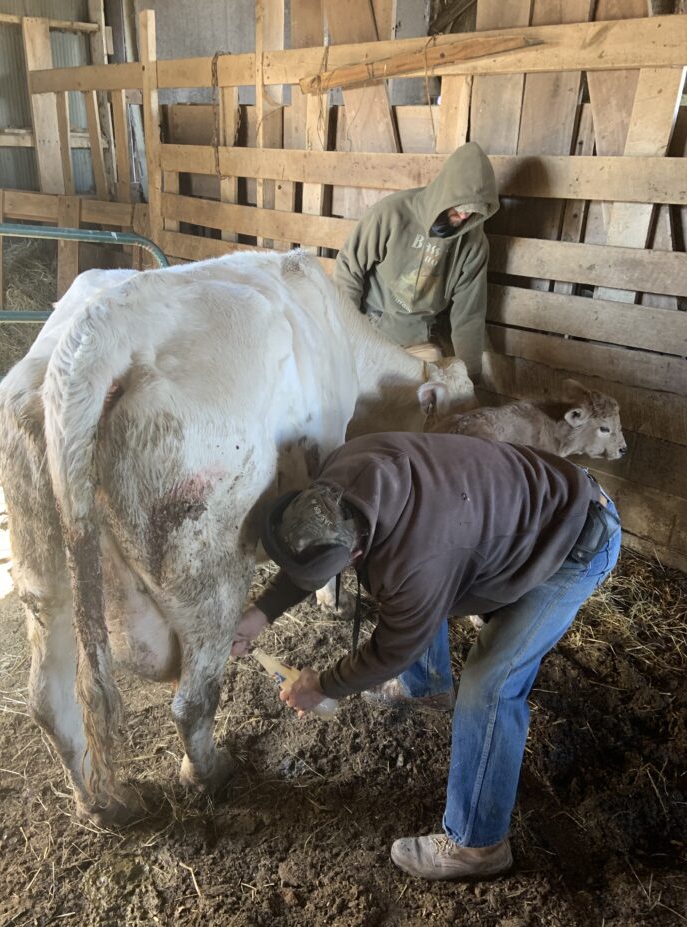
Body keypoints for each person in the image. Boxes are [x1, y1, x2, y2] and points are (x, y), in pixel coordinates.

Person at [231, 432, 621, 881]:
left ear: (354, 553)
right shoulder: (346, 469)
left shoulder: (415, 567)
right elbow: (318, 552)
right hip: (521, 501)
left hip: (575, 541)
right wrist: (260, 614)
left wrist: (320, 686)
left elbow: (394, 648)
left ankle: (479, 846)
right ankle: (429, 687)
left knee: (490, 682)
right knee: (412, 589)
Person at [334, 141, 499, 382]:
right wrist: (346, 334)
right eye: (460, 206)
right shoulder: (391, 214)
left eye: (472, 211)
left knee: (435, 398)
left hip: (418, 342)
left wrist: (471, 378)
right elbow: (349, 269)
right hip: (371, 330)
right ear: (446, 192)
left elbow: (469, 315)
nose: (464, 215)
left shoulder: (474, 246)